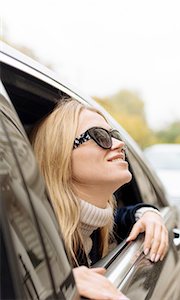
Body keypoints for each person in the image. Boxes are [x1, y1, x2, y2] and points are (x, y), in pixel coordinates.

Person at [32, 98, 169, 299]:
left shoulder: (98, 226)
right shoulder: (34, 235)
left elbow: (121, 216)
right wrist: (54, 285)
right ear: (60, 155)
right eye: (100, 136)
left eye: (114, 135)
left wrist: (147, 214)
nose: (120, 143)